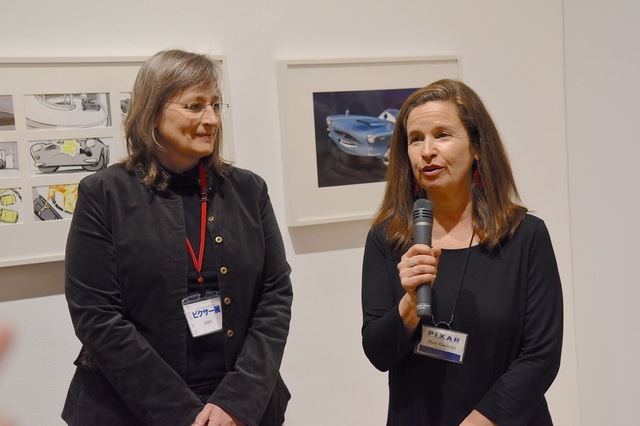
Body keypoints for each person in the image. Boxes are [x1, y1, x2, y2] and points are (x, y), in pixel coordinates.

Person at [62, 49, 293, 426]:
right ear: (152, 112)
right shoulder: (104, 194)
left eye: (215, 105)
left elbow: (275, 294)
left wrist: (237, 402)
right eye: (195, 106)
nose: (211, 119)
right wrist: (183, 415)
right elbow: (96, 315)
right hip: (129, 410)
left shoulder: (248, 190)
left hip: (239, 408)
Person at [361, 79, 563, 425]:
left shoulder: (524, 235)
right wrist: (409, 303)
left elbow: (541, 356)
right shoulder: (388, 238)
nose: (427, 151)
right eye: (415, 139)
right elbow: (379, 353)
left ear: (477, 148)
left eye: (442, 135)